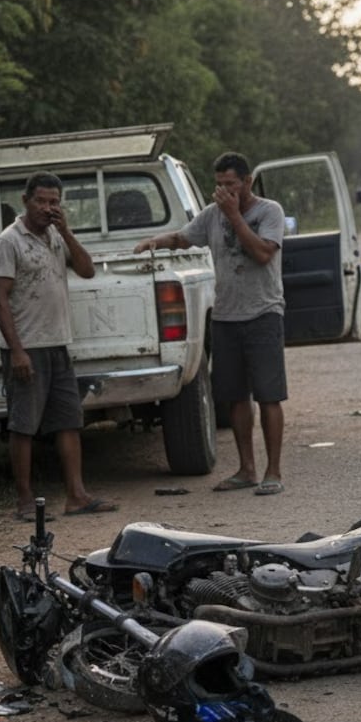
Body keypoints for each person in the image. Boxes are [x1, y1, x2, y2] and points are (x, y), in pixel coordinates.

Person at [134, 152, 288, 494]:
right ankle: (246, 469)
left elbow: (263, 253)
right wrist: (154, 242)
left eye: (230, 184)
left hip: (263, 313)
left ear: (247, 182)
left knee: (269, 396)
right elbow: (183, 237)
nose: (223, 191)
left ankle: (273, 471)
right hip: (225, 317)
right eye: (218, 185)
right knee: (234, 396)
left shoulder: (269, 211)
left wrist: (234, 217)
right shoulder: (211, 215)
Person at [0, 172, 118, 519]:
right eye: (41, 201)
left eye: (54, 202)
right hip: (27, 346)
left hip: (58, 343)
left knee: (68, 421)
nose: (48, 208)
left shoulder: (55, 237)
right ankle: (24, 500)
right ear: (26, 201)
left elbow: (88, 270)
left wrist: (65, 231)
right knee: (24, 425)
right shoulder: (9, 241)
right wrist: (16, 350)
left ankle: (76, 495)